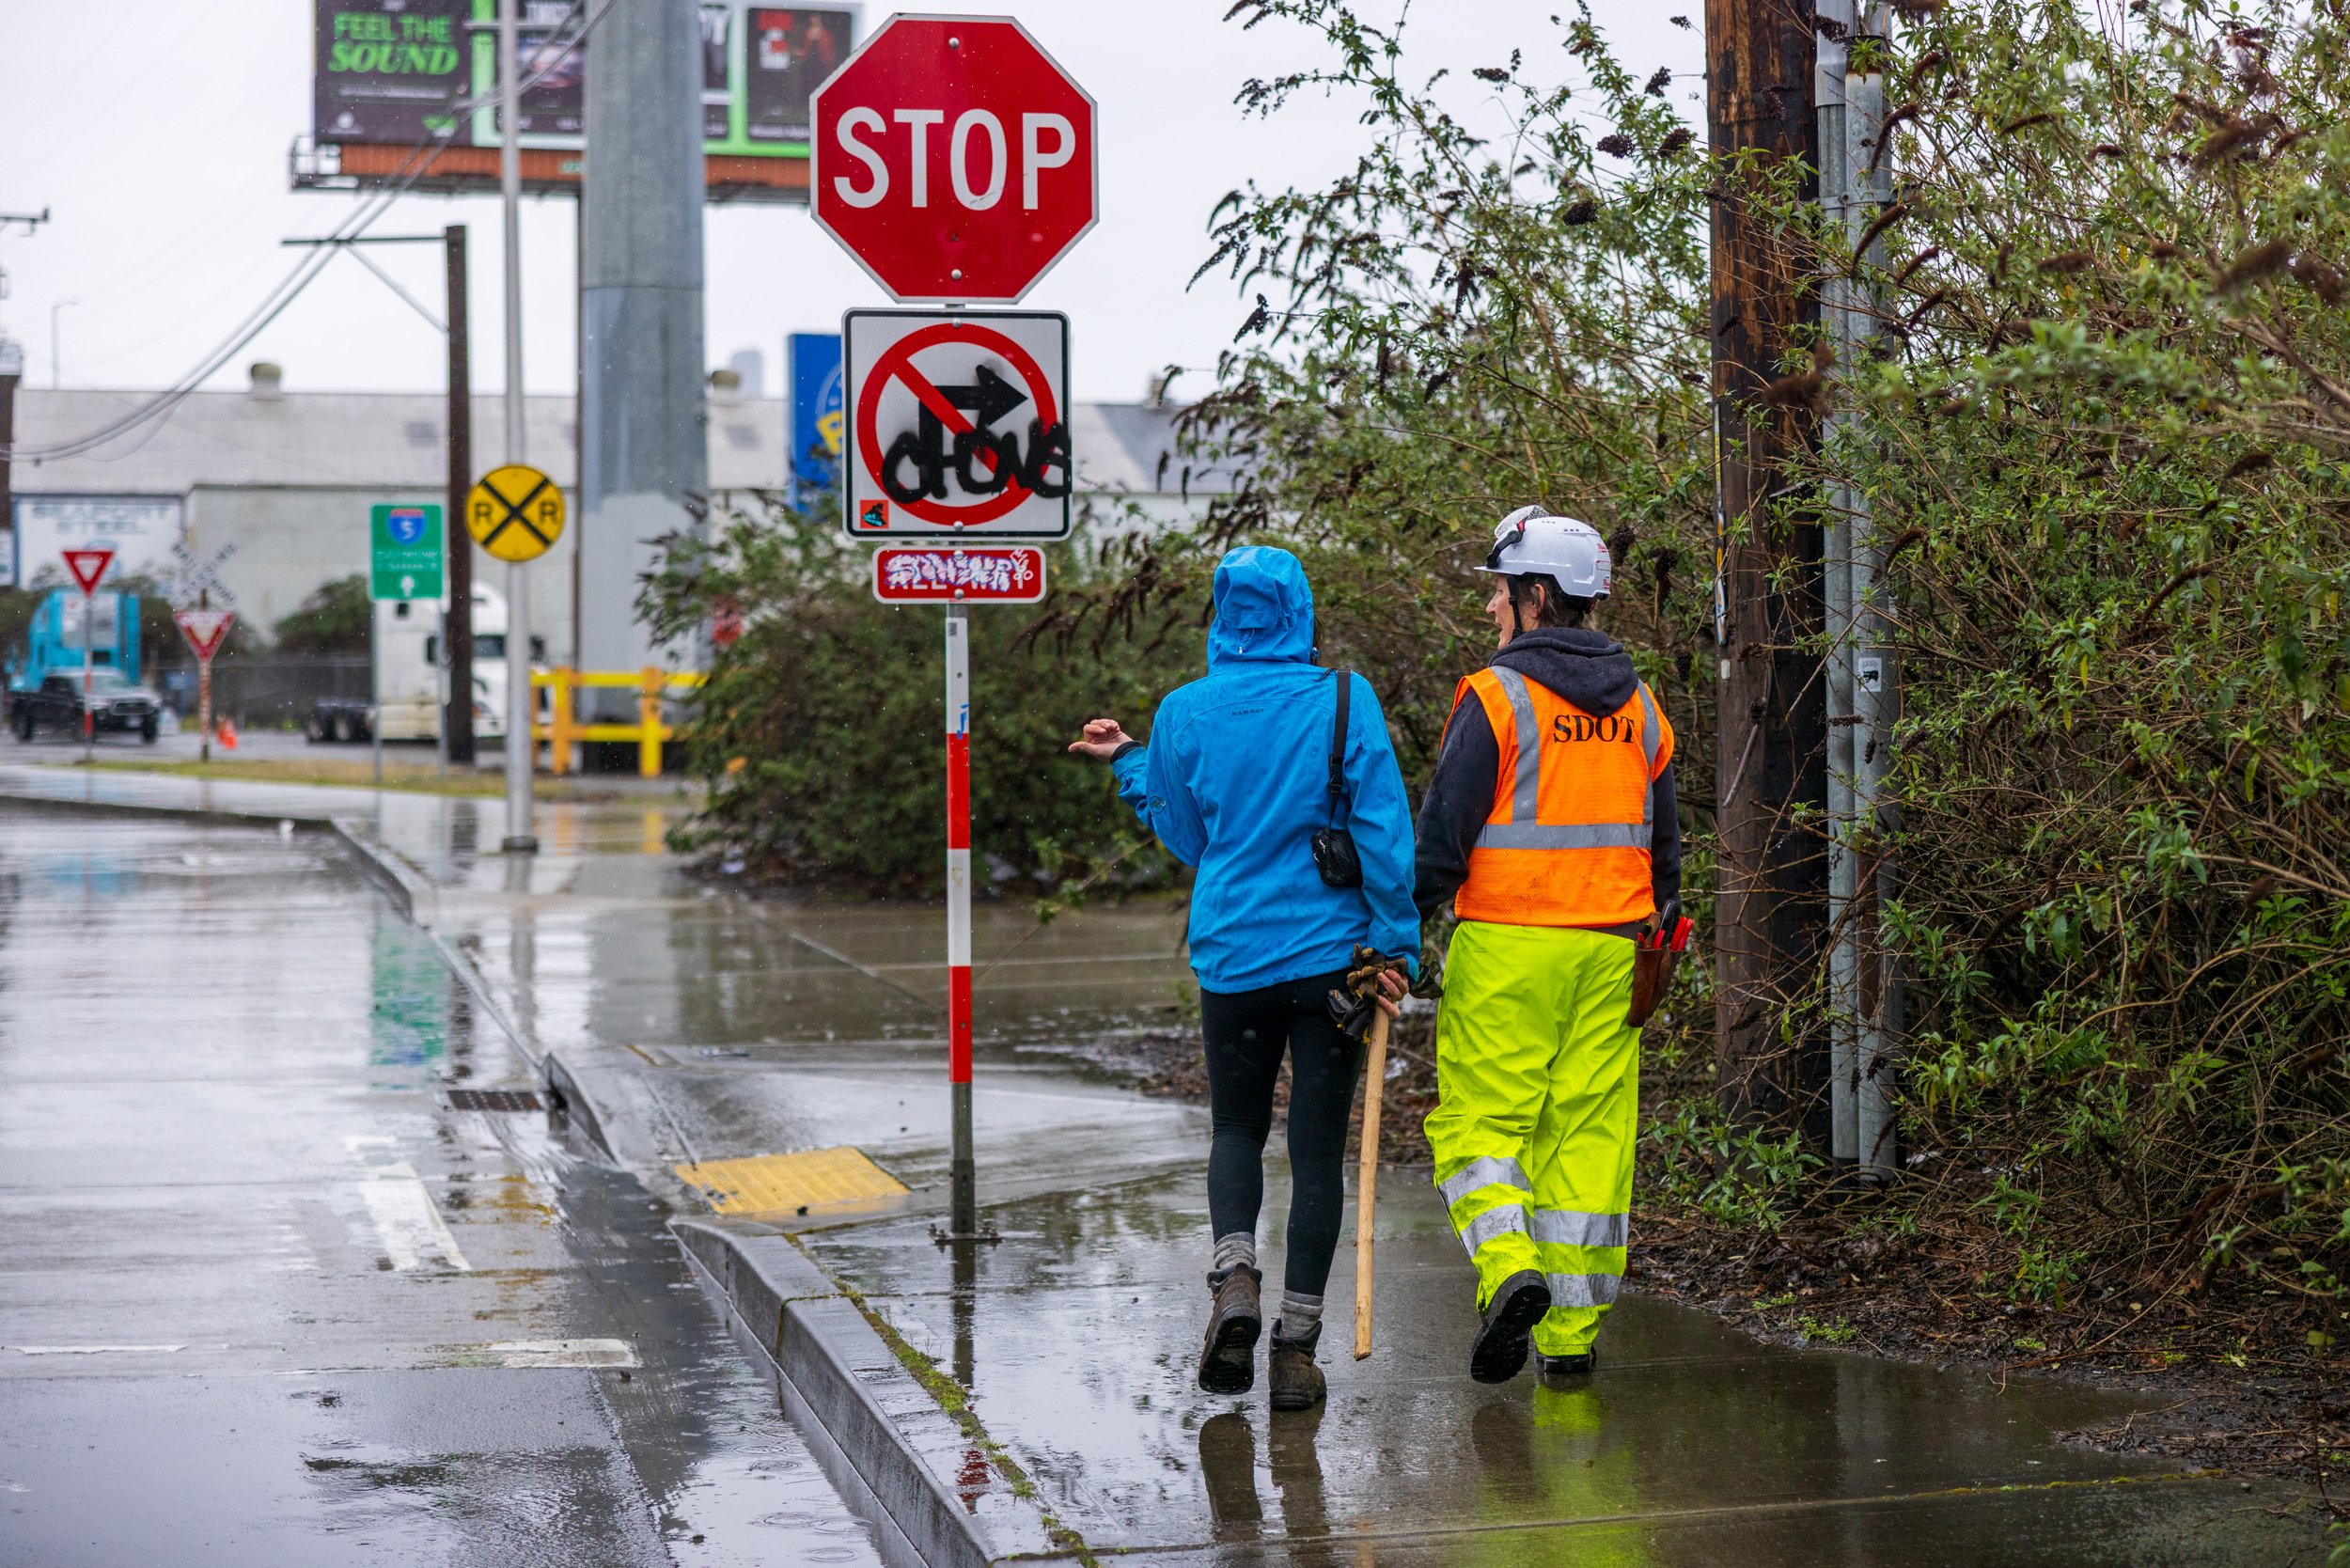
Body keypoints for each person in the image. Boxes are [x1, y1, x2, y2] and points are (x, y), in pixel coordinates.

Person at [1069, 545, 1416, 1412]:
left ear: (1222, 617)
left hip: (1231, 959)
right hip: (1334, 963)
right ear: (1300, 610)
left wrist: (1129, 764)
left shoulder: (1184, 711)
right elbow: (1381, 826)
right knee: (1315, 1153)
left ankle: (1234, 1277)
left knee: (1235, 1129)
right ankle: (1296, 1350)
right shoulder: (1344, 697)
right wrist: (1397, 942)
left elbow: (1190, 840)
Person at [1412, 507, 1682, 1386]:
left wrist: (1396, 926)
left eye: (1499, 590)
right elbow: (1665, 848)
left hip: (1510, 949)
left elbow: (1443, 839)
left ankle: (1508, 1268)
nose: (1492, 607)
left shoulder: (1495, 698)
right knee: (1588, 1142)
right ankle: (1570, 1343)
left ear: (1536, 595)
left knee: (1482, 1124)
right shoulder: (1643, 707)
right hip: (1614, 952)